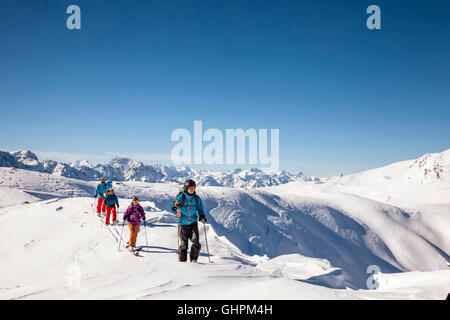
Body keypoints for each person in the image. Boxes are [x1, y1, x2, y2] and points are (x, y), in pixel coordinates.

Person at [171, 179, 207, 263]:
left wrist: (202, 216)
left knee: (196, 243)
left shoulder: (197, 198)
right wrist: (175, 207)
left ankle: (193, 260)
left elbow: (200, 209)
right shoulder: (181, 197)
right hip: (183, 223)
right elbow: (172, 209)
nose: (192, 190)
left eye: (193, 188)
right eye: (190, 188)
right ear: (186, 188)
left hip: (193, 222)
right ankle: (182, 262)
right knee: (184, 245)